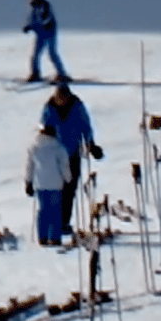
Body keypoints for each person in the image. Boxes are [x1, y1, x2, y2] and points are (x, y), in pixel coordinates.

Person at [41, 78, 103, 239]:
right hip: (55, 156)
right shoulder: (49, 108)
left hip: (73, 153)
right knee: (56, 190)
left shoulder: (77, 106)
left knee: (69, 190)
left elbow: (85, 125)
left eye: (64, 96)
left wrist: (91, 144)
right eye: (59, 96)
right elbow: (44, 128)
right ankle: (53, 225)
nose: (61, 99)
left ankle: (63, 223)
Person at [25, 127, 71, 248]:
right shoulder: (58, 148)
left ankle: (42, 237)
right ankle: (55, 238)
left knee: (43, 211)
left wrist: (28, 182)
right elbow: (64, 166)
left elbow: (30, 166)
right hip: (56, 184)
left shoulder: (34, 147)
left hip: (40, 184)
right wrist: (68, 179)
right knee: (55, 211)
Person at [24, 0, 68, 83]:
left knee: (52, 54)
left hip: (50, 32)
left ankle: (62, 74)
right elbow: (32, 18)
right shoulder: (34, 7)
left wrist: (35, 25)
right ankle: (35, 74)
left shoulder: (45, 5)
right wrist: (28, 26)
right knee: (36, 55)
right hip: (41, 34)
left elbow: (47, 18)